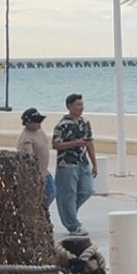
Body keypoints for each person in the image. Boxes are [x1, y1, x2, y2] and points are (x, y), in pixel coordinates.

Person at [52, 93, 97, 236]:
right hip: (67, 163)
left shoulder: (85, 123)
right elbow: (56, 144)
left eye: (82, 104)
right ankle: (72, 225)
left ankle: (69, 213)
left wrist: (94, 164)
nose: (81, 107)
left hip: (83, 162)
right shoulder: (62, 125)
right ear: (69, 106)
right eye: (78, 105)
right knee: (68, 194)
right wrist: (75, 143)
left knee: (87, 190)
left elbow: (89, 143)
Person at [16, 107, 55, 206]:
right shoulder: (26, 139)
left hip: (45, 171)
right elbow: (29, 160)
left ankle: (43, 211)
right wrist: (37, 176)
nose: (39, 123)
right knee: (47, 195)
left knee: (52, 193)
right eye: (36, 122)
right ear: (27, 123)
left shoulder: (39, 131)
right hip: (36, 174)